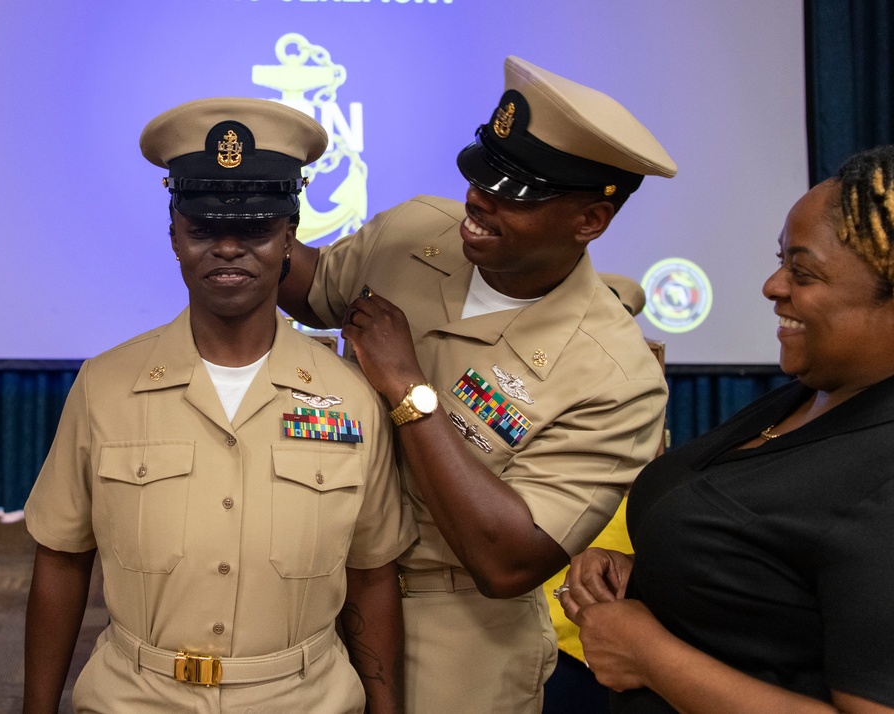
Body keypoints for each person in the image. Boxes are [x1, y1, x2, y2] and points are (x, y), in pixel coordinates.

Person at [278, 56, 677, 712]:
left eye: (516, 192)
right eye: (482, 171)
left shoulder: (616, 377)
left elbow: (508, 561)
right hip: (316, 598)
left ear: (588, 221)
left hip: (453, 634)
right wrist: (249, 209)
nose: (479, 200)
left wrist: (408, 389)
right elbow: (317, 287)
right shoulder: (415, 231)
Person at [22, 98, 417, 714]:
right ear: (175, 233)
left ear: (290, 237)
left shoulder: (352, 398)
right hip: (136, 699)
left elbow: (371, 576)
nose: (228, 249)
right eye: (204, 228)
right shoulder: (106, 385)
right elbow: (62, 560)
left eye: (256, 228)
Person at [558, 145, 894, 713]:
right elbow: (785, 589)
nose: (772, 285)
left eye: (803, 272)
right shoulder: (814, 393)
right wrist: (657, 575)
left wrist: (648, 654)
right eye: (781, 259)